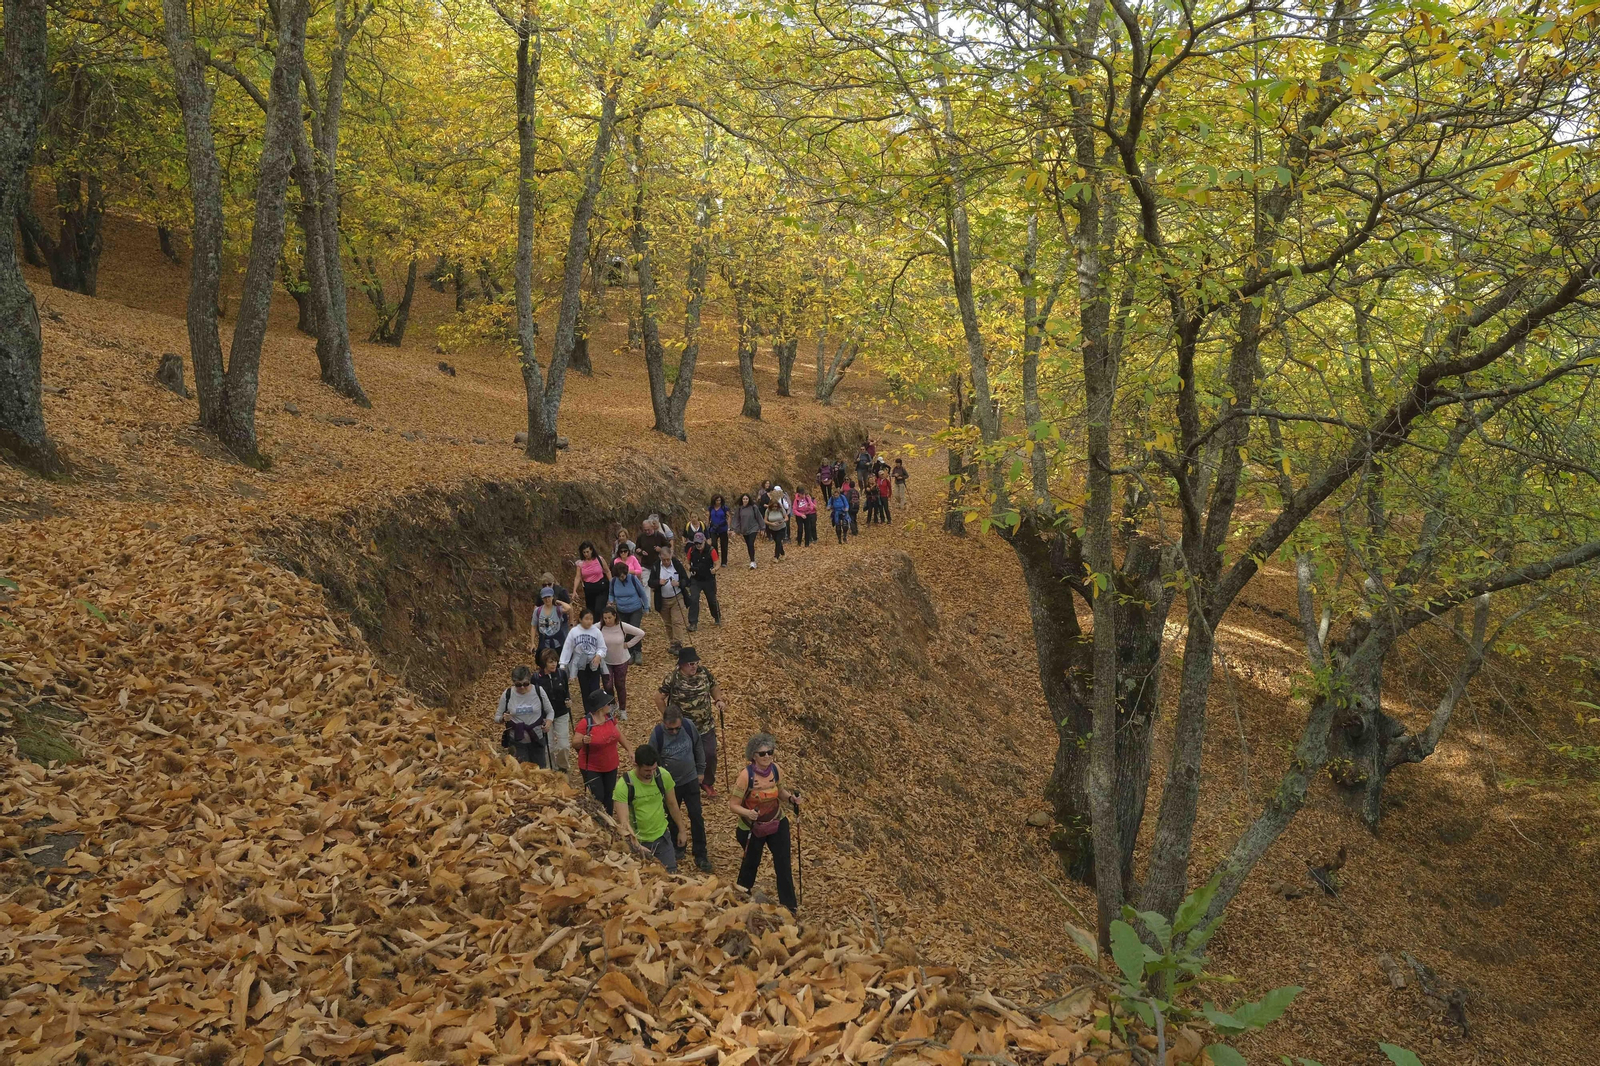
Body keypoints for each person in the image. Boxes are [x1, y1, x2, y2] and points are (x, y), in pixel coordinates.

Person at [729, 732, 801, 913]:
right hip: (752, 827)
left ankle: (790, 906)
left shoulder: (776, 769)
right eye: (762, 753)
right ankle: (741, 899)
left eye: (770, 752)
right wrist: (748, 813)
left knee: (783, 864)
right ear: (753, 755)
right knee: (750, 864)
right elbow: (733, 805)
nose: (767, 756)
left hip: (777, 822)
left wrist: (791, 799)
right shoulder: (745, 776)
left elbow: (781, 792)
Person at [657, 646, 726, 796]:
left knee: (710, 754)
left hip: (705, 725)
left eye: (695, 662)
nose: (694, 666)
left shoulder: (704, 673)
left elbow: (714, 686)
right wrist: (668, 718)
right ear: (681, 664)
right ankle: (685, 784)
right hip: (683, 728)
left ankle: (707, 782)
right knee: (685, 756)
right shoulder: (673, 678)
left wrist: (718, 699)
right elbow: (659, 698)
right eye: (690, 664)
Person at [650, 705, 710, 872]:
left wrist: (700, 770)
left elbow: (698, 747)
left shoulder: (689, 727)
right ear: (664, 723)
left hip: (690, 779)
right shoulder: (657, 735)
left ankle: (701, 854)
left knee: (696, 816)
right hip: (670, 784)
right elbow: (652, 760)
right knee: (671, 817)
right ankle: (678, 847)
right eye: (671, 729)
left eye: (677, 728)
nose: (675, 732)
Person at [612, 744, 688, 872]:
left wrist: (682, 829)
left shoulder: (663, 776)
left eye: (654, 769)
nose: (651, 773)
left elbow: (672, 804)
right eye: (647, 770)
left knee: (670, 875)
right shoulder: (624, 785)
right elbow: (624, 822)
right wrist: (636, 845)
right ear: (636, 765)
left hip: (662, 838)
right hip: (639, 841)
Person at [494, 665, 552, 767]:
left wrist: (548, 723)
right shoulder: (507, 694)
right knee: (522, 773)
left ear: (530, 680)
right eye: (518, 685)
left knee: (540, 772)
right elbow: (497, 717)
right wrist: (503, 718)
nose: (522, 687)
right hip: (516, 741)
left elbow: (550, 711)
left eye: (525, 684)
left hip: (537, 739)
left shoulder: (539, 691)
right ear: (513, 682)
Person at [575, 687, 622, 807]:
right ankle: (597, 822)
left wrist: (630, 750)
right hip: (591, 767)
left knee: (610, 796)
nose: (610, 705)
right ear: (600, 706)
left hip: (611, 765)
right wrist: (583, 740)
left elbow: (619, 735)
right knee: (597, 798)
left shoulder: (610, 718)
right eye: (607, 703)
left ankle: (609, 821)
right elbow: (575, 743)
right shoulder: (586, 722)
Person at [599, 605, 644, 719]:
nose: (607, 620)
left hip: (621, 660)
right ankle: (613, 704)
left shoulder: (622, 626)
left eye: (609, 617)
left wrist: (628, 644)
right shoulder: (599, 627)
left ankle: (623, 709)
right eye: (605, 618)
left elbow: (640, 633)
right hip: (606, 661)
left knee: (620, 685)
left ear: (614, 616)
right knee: (608, 685)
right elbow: (588, 632)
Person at [559, 606, 610, 704]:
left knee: (595, 688)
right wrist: (563, 663)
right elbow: (568, 648)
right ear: (580, 619)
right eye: (586, 619)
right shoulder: (574, 632)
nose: (589, 621)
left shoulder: (596, 631)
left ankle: (596, 710)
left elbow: (602, 647)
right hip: (580, 664)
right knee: (585, 688)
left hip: (594, 662)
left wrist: (598, 655)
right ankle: (588, 712)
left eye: (591, 619)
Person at [535, 648, 573, 771]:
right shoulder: (536, 678)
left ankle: (563, 767)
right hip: (545, 716)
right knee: (548, 746)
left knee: (563, 745)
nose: (554, 664)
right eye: (551, 662)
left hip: (561, 713)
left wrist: (568, 700)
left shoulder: (562, 674)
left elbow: (566, 691)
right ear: (544, 663)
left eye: (555, 661)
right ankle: (550, 768)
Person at [648, 543, 690, 651]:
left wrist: (679, 583)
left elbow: (686, 579)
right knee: (668, 623)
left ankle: (678, 644)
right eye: (664, 560)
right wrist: (658, 582)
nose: (666, 562)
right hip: (662, 600)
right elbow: (650, 582)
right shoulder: (656, 566)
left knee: (677, 621)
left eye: (667, 559)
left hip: (677, 597)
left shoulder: (677, 564)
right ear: (660, 558)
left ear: (671, 556)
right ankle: (672, 643)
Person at [609, 560, 650, 665]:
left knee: (634, 629)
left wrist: (646, 607)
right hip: (621, 610)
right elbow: (611, 594)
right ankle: (630, 652)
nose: (621, 578)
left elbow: (642, 593)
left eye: (623, 576)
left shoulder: (632, 579)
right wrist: (611, 601)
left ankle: (638, 651)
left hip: (635, 609)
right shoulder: (613, 581)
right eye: (619, 577)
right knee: (625, 631)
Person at [685, 532, 722, 631]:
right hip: (695, 579)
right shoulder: (691, 550)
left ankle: (717, 616)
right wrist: (689, 569)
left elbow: (717, 563)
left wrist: (715, 569)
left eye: (700, 543)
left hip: (708, 579)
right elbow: (687, 562)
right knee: (693, 599)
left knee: (712, 600)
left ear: (704, 541)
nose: (698, 545)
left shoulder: (711, 550)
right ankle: (693, 623)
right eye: (696, 543)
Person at [532, 586, 571, 653]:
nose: (547, 600)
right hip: (544, 643)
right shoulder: (537, 611)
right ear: (542, 598)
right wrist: (532, 643)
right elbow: (533, 626)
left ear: (552, 597)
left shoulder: (557, 609)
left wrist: (558, 601)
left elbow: (568, 608)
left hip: (558, 643)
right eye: (545, 597)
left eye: (549, 597)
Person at [573, 541, 609, 614]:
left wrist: (612, 584)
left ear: (591, 550)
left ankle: (600, 623)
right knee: (591, 611)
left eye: (587, 552)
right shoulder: (580, 563)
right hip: (589, 589)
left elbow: (607, 571)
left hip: (601, 587)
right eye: (584, 552)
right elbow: (578, 577)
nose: (586, 554)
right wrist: (574, 590)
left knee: (599, 609)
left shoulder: (599, 559)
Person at [732, 492, 763, 569]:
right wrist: (735, 530)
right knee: (748, 545)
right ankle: (752, 559)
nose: (745, 500)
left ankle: (752, 562)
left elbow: (759, 517)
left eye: (746, 499)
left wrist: (762, 528)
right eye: (744, 499)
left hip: (753, 528)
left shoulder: (753, 507)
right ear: (742, 500)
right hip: (744, 529)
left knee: (751, 543)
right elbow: (737, 519)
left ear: (749, 500)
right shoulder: (739, 509)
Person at [707, 495, 731, 569]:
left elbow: (729, 516)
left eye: (719, 500)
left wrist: (728, 527)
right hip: (713, 528)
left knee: (724, 545)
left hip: (722, 528)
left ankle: (724, 562)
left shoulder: (724, 508)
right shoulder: (711, 508)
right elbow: (708, 517)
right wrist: (706, 527)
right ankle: (716, 560)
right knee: (713, 544)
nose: (718, 502)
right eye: (717, 500)